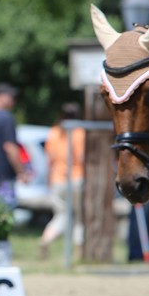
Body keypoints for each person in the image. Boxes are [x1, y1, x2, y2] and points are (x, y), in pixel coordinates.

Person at [38, 103, 86, 259]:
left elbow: (49, 160)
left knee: (61, 215)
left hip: (58, 179)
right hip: (77, 177)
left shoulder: (54, 132)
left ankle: (46, 239)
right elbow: (81, 157)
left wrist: (48, 180)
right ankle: (80, 251)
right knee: (80, 217)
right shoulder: (80, 132)